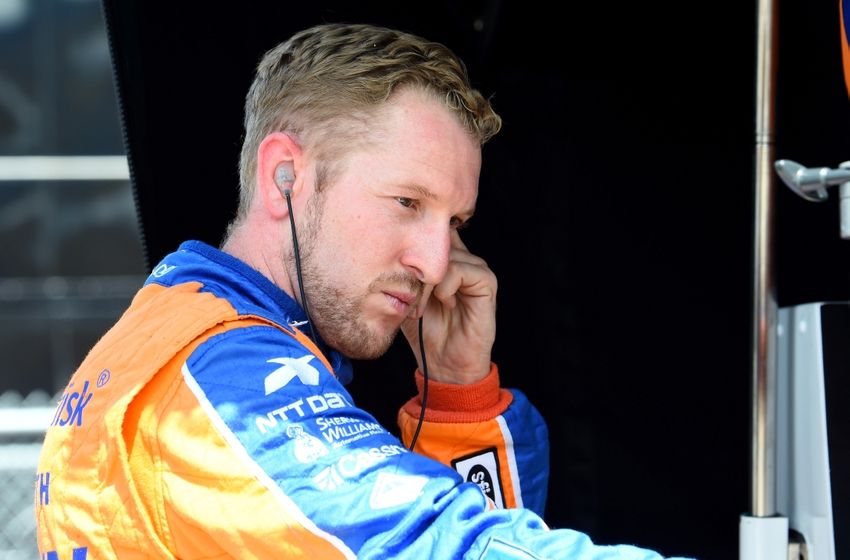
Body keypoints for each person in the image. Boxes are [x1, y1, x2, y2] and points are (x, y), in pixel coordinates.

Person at [35, 23, 692, 559]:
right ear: (285, 175)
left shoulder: (187, 331)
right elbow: (441, 548)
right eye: (407, 202)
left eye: (455, 223)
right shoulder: (222, 378)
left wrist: (461, 396)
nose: (436, 263)